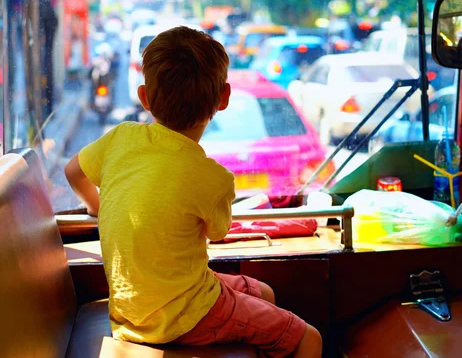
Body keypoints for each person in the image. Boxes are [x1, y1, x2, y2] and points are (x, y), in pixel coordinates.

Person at [64, 26, 322, 357]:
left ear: (144, 97)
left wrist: (98, 207)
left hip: (130, 315)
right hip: (188, 316)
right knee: (309, 338)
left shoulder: (119, 138)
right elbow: (217, 232)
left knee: (264, 293)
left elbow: (73, 172)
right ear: (224, 98)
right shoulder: (213, 178)